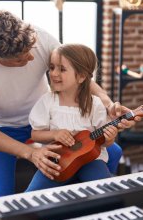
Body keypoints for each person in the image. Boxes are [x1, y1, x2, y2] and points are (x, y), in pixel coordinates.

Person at [0, 10, 138, 198]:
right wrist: (32, 153)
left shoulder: (38, 37)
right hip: (3, 129)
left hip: (51, 121)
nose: (31, 58)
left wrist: (108, 104)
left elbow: (78, 74)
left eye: (31, 51)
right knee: (0, 195)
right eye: (20, 59)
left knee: (113, 151)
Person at [26, 44, 119, 192]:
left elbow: (104, 143)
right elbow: (35, 135)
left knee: (107, 192)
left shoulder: (94, 104)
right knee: (29, 197)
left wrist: (110, 138)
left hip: (91, 162)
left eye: (62, 69)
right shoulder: (47, 101)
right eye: (52, 67)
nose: (54, 73)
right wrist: (54, 134)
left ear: (81, 76)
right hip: (57, 162)